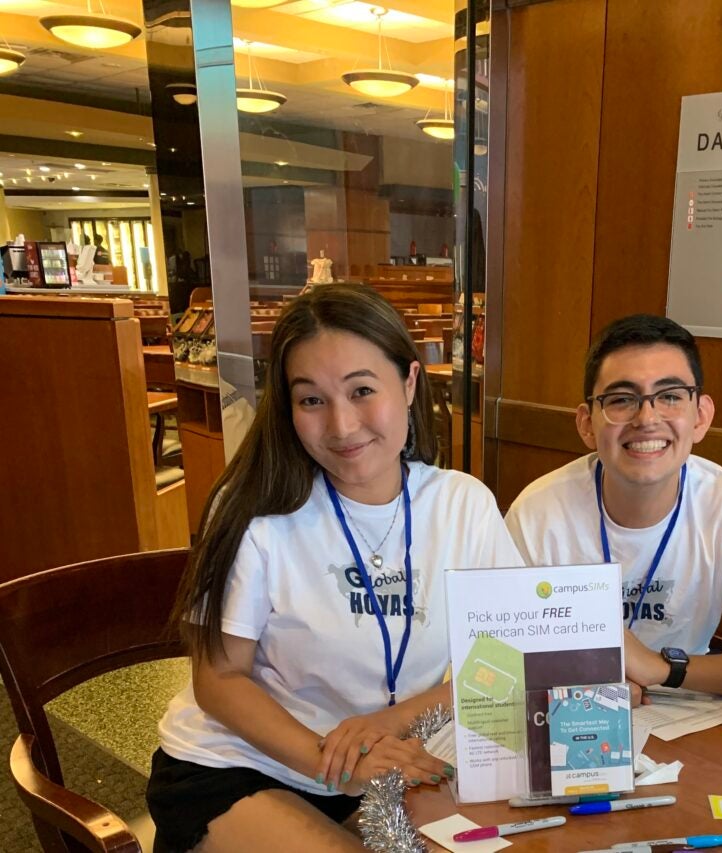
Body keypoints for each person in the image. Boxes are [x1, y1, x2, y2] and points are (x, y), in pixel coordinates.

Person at [147, 284, 523, 852]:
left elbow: (508, 655)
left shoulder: (463, 504)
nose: (343, 427)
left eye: (363, 390)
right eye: (311, 400)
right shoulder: (259, 509)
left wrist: (391, 724)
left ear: (411, 382)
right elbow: (219, 681)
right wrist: (341, 762)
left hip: (384, 763)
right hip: (243, 766)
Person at [505, 314, 722, 700]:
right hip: (568, 709)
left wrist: (663, 668)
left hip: (686, 709)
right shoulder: (538, 513)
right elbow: (491, 657)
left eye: (670, 397)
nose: (647, 419)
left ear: (700, 417)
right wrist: (580, 673)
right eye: (622, 400)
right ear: (587, 424)